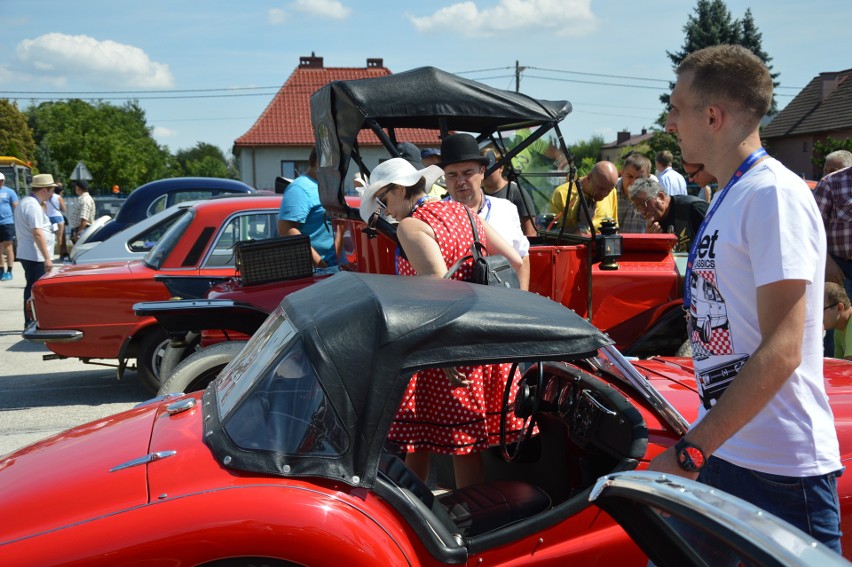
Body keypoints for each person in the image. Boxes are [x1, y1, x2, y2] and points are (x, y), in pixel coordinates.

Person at [648, 44, 842, 552]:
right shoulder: (734, 192)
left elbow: (783, 348)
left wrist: (692, 450)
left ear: (712, 116)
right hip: (727, 452)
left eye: (676, 108)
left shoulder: (771, 194)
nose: (670, 122)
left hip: (779, 470)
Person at [359, 157, 523, 488]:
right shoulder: (463, 212)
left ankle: (453, 519)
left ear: (400, 190)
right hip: (475, 334)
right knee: (445, 442)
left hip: (439, 343)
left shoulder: (411, 225)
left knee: (437, 439)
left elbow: (436, 283)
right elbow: (515, 260)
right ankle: (472, 515)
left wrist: (445, 351)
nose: (387, 211)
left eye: (385, 200)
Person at [440, 133, 531, 290]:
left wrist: (522, 302)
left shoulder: (506, 209)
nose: (461, 181)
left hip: (503, 302)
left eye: (468, 173)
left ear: (482, 172)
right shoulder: (436, 215)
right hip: (457, 305)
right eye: (452, 175)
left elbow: (522, 257)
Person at [276, 148, 337, 268]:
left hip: (332, 269)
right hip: (319, 273)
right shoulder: (300, 188)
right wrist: (320, 264)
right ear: (320, 162)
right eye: (334, 163)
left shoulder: (324, 186)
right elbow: (286, 229)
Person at [14, 173, 56, 325]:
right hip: (35, 255)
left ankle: (32, 320)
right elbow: (37, 232)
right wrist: (47, 258)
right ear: (44, 190)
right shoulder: (32, 206)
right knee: (34, 290)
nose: (52, 194)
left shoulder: (26, 202)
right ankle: (32, 321)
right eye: (52, 190)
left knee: (32, 288)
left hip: (29, 253)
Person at [630, 177, 708, 251]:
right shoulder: (655, 225)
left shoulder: (693, 208)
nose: (642, 212)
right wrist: (650, 241)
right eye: (638, 208)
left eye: (644, 204)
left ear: (660, 197)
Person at [480, 147, 537, 237]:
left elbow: (530, 233)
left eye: (489, 170)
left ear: (501, 168)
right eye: (481, 170)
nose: (484, 174)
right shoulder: (476, 194)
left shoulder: (515, 192)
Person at [548, 161, 619, 233]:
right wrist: (581, 227)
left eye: (609, 190)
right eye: (601, 188)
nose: (604, 194)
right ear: (589, 177)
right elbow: (551, 232)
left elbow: (614, 231)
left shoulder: (612, 192)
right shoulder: (561, 194)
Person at [814, 166, 852, 300]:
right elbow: (812, 230)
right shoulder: (830, 183)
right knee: (841, 319)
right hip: (842, 271)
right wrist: (827, 262)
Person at [615, 153, 653, 233]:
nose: (633, 182)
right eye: (630, 176)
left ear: (648, 178)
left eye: (639, 178)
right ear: (621, 173)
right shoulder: (609, 192)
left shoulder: (653, 198)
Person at [824, 282, 852, 360]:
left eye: (820, 310)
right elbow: (838, 364)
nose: (817, 316)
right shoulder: (839, 328)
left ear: (839, 308)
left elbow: (849, 365)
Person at [0, 172, 19, 281]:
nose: (0, 182)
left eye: (1, 180)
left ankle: (9, 271)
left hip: (7, 222)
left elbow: (16, 206)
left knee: (8, 246)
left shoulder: (9, 192)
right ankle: (1, 270)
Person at [45, 182, 66, 260]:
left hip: (49, 218)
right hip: (58, 218)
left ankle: (50, 254)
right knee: (59, 237)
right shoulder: (58, 197)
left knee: (49, 237)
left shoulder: (46, 197)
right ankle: (61, 254)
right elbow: (64, 209)